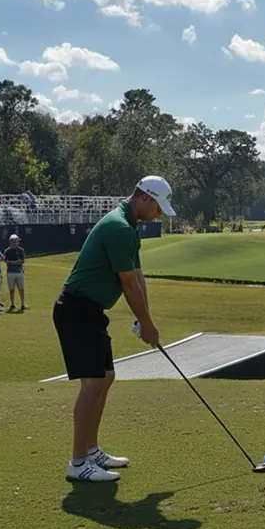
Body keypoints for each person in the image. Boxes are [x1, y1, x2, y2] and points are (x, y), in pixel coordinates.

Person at [54, 175, 175, 482]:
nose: (159, 214)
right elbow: (128, 284)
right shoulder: (119, 227)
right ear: (145, 198)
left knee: (105, 378)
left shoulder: (129, 228)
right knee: (93, 384)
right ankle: (78, 463)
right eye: (158, 207)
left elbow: (138, 276)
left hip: (90, 311)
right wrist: (147, 325)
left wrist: (146, 319)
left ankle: (91, 449)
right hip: (77, 309)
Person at [3, 234, 26, 311]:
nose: (15, 243)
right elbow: (6, 261)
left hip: (19, 272)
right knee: (12, 289)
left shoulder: (21, 250)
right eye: (13, 241)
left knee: (21, 289)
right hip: (10, 272)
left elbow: (22, 261)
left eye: (16, 241)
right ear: (10, 242)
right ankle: (12, 304)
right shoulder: (7, 251)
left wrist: (12, 262)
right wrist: (16, 262)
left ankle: (22, 304)